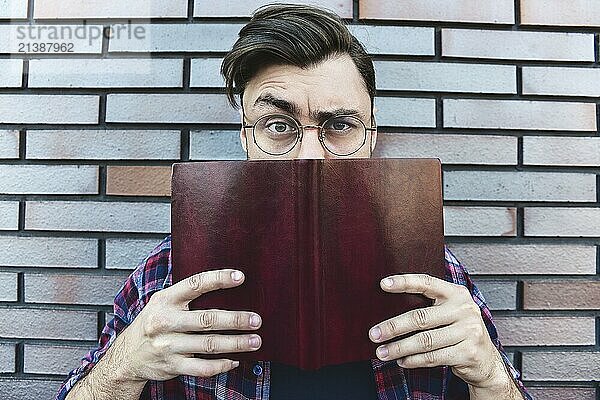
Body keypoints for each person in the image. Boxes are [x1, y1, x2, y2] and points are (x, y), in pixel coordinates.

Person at [57, 4, 531, 400]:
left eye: (339, 126)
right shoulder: (166, 275)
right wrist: (123, 369)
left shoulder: (437, 278)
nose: (307, 157)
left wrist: (491, 377)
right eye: (279, 126)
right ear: (246, 137)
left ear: (371, 138)